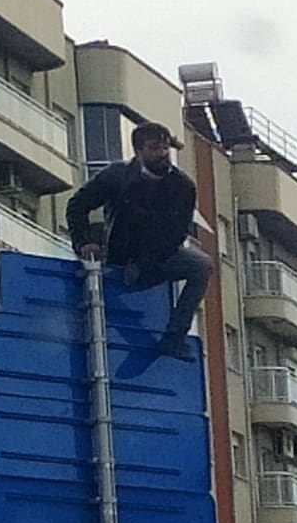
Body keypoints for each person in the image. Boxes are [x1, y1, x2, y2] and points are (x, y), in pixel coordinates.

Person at [66, 121, 212, 360]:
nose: (163, 154)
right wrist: (83, 243)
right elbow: (77, 206)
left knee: (202, 265)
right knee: (109, 312)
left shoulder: (182, 186)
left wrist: (145, 264)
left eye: (165, 148)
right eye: (155, 148)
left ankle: (174, 338)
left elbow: (176, 234)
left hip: (156, 260)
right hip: (118, 258)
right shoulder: (117, 176)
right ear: (138, 151)